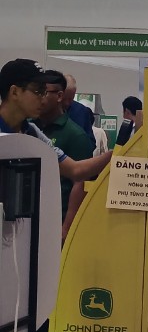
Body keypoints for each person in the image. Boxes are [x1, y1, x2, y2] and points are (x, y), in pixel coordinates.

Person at [0, 57, 112, 187]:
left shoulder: (32, 133)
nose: (42, 99)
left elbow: (75, 170)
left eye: (44, 92)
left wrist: (116, 154)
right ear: (15, 92)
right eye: (38, 91)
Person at [36, 70, 96, 217]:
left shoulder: (76, 135)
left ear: (59, 96)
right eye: (36, 92)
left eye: (44, 92)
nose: (38, 98)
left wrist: (67, 225)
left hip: (57, 217)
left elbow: (80, 181)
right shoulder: (29, 128)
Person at [62, 72, 96, 143]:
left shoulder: (82, 111)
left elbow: (91, 141)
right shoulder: (51, 108)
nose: (67, 103)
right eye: (64, 98)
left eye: (70, 99)